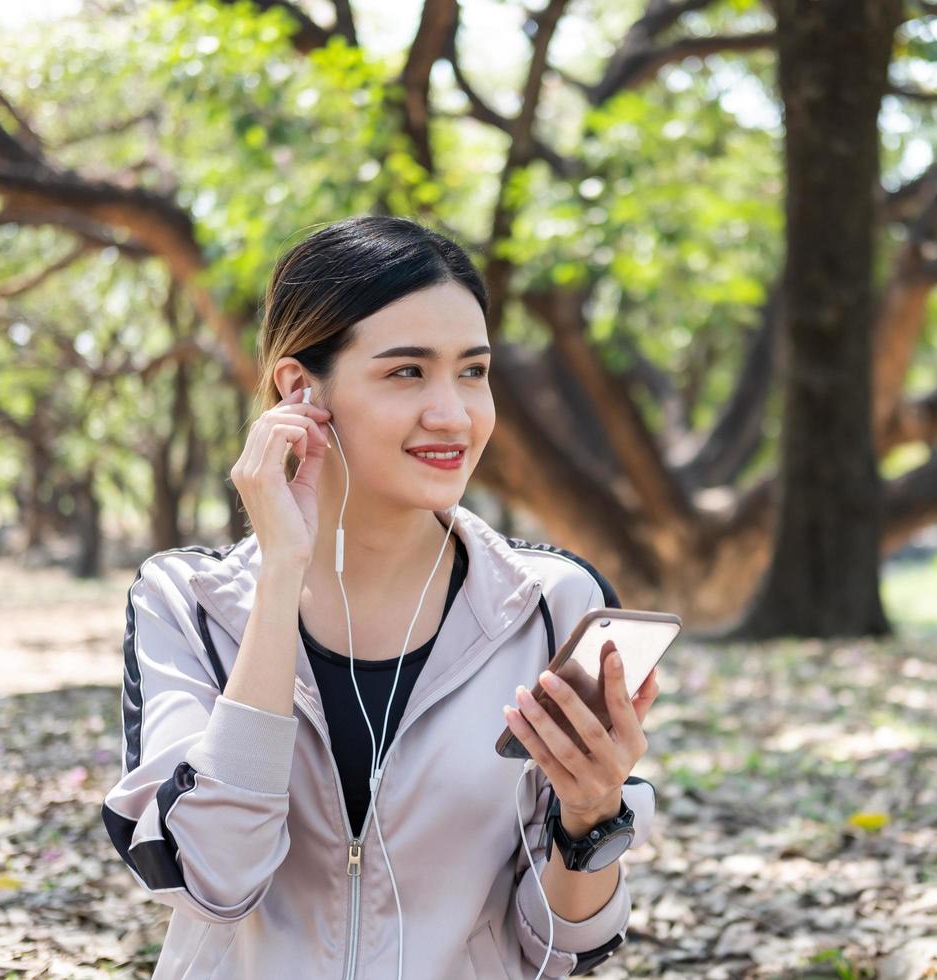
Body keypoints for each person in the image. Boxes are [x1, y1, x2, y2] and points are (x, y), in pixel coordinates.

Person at [101, 216, 661, 979]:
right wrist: (279, 578)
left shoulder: (549, 603)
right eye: (407, 372)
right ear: (301, 390)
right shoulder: (187, 601)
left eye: (472, 371)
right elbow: (211, 881)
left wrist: (592, 817)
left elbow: (565, 949)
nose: (454, 413)